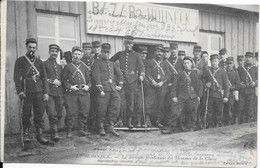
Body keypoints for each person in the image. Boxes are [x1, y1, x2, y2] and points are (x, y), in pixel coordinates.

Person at [13, 38, 49, 145]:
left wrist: (46, 92)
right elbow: (16, 77)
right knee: (26, 113)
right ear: (26, 47)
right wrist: (20, 91)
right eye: (30, 47)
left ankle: (39, 134)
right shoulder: (20, 60)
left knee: (39, 113)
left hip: (38, 91)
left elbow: (44, 78)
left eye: (34, 47)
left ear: (36, 48)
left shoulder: (39, 62)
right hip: (26, 91)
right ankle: (26, 134)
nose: (32, 49)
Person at [110, 35, 145, 128]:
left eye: (130, 43)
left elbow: (141, 67)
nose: (128, 45)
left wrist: (141, 75)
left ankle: (129, 121)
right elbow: (110, 62)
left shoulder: (136, 55)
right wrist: (116, 71)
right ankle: (120, 120)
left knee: (131, 101)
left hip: (132, 81)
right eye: (126, 43)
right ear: (124, 44)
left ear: (132, 44)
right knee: (120, 101)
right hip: (121, 81)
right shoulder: (120, 54)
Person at [162, 56, 203, 134]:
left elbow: (201, 86)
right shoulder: (180, 74)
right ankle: (171, 127)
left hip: (193, 96)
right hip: (182, 96)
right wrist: (174, 96)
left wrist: (199, 96)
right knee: (176, 112)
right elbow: (174, 86)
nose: (186, 65)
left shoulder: (196, 74)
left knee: (192, 112)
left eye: (188, 63)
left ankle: (191, 127)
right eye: (184, 63)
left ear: (191, 64)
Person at [92, 43, 123, 136]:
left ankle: (110, 126)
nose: (106, 54)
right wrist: (100, 89)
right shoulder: (97, 62)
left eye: (108, 52)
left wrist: (120, 85)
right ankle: (101, 127)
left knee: (116, 106)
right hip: (103, 90)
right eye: (104, 52)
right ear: (101, 52)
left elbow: (120, 75)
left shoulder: (111, 63)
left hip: (113, 88)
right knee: (102, 109)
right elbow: (96, 77)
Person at [62, 46, 91, 137]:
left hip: (83, 93)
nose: (77, 56)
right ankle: (69, 130)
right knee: (71, 112)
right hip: (72, 93)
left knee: (84, 111)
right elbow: (63, 80)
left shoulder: (84, 67)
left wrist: (88, 87)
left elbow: (89, 81)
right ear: (72, 55)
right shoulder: (68, 66)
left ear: (81, 55)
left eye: (79, 54)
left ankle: (82, 129)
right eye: (75, 54)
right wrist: (70, 87)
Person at [145, 46, 170, 127]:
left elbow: (168, 75)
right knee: (149, 102)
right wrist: (152, 81)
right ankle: (147, 120)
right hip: (151, 85)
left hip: (162, 86)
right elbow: (147, 73)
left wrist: (162, 82)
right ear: (154, 53)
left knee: (160, 103)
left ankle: (158, 120)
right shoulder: (150, 62)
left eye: (160, 52)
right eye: (157, 51)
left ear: (163, 53)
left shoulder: (165, 63)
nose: (159, 53)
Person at [44, 44, 63, 142]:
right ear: (49, 52)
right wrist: (52, 81)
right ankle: (54, 132)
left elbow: (63, 79)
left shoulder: (59, 66)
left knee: (59, 113)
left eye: (56, 52)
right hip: (50, 92)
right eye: (52, 51)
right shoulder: (44, 64)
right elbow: (43, 78)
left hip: (59, 93)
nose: (54, 53)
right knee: (52, 113)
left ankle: (55, 129)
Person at [205, 54, 230, 128]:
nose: (214, 63)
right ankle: (210, 125)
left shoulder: (222, 72)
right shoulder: (208, 72)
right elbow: (205, 81)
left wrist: (226, 96)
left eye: (215, 61)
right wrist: (206, 84)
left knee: (219, 111)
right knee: (210, 111)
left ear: (218, 62)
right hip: (210, 95)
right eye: (212, 61)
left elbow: (226, 85)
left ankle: (218, 125)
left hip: (219, 95)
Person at [237, 52, 258, 123]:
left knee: (250, 108)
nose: (248, 59)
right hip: (242, 91)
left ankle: (249, 123)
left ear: (252, 59)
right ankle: (242, 123)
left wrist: (255, 83)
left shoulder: (255, 69)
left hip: (251, 92)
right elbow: (237, 79)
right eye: (247, 57)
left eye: (250, 57)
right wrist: (240, 83)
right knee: (241, 107)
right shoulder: (241, 68)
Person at [192, 45, 208, 129]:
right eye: (195, 52)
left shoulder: (203, 63)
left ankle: (200, 122)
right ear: (193, 52)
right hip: (192, 85)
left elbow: (206, 74)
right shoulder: (190, 61)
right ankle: (193, 123)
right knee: (193, 105)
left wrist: (199, 72)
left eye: (198, 52)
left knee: (201, 105)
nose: (197, 53)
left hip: (200, 85)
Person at [223, 57, 240, 125]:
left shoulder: (235, 73)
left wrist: (232, 87)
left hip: (231, 94)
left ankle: (230, 124)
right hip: (223, 94)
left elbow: (238, 85)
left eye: (230, 63)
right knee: (223, 109)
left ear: (233, 64)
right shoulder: (223, 72)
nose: (229, 65)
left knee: (230, 109)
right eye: (228, 63)